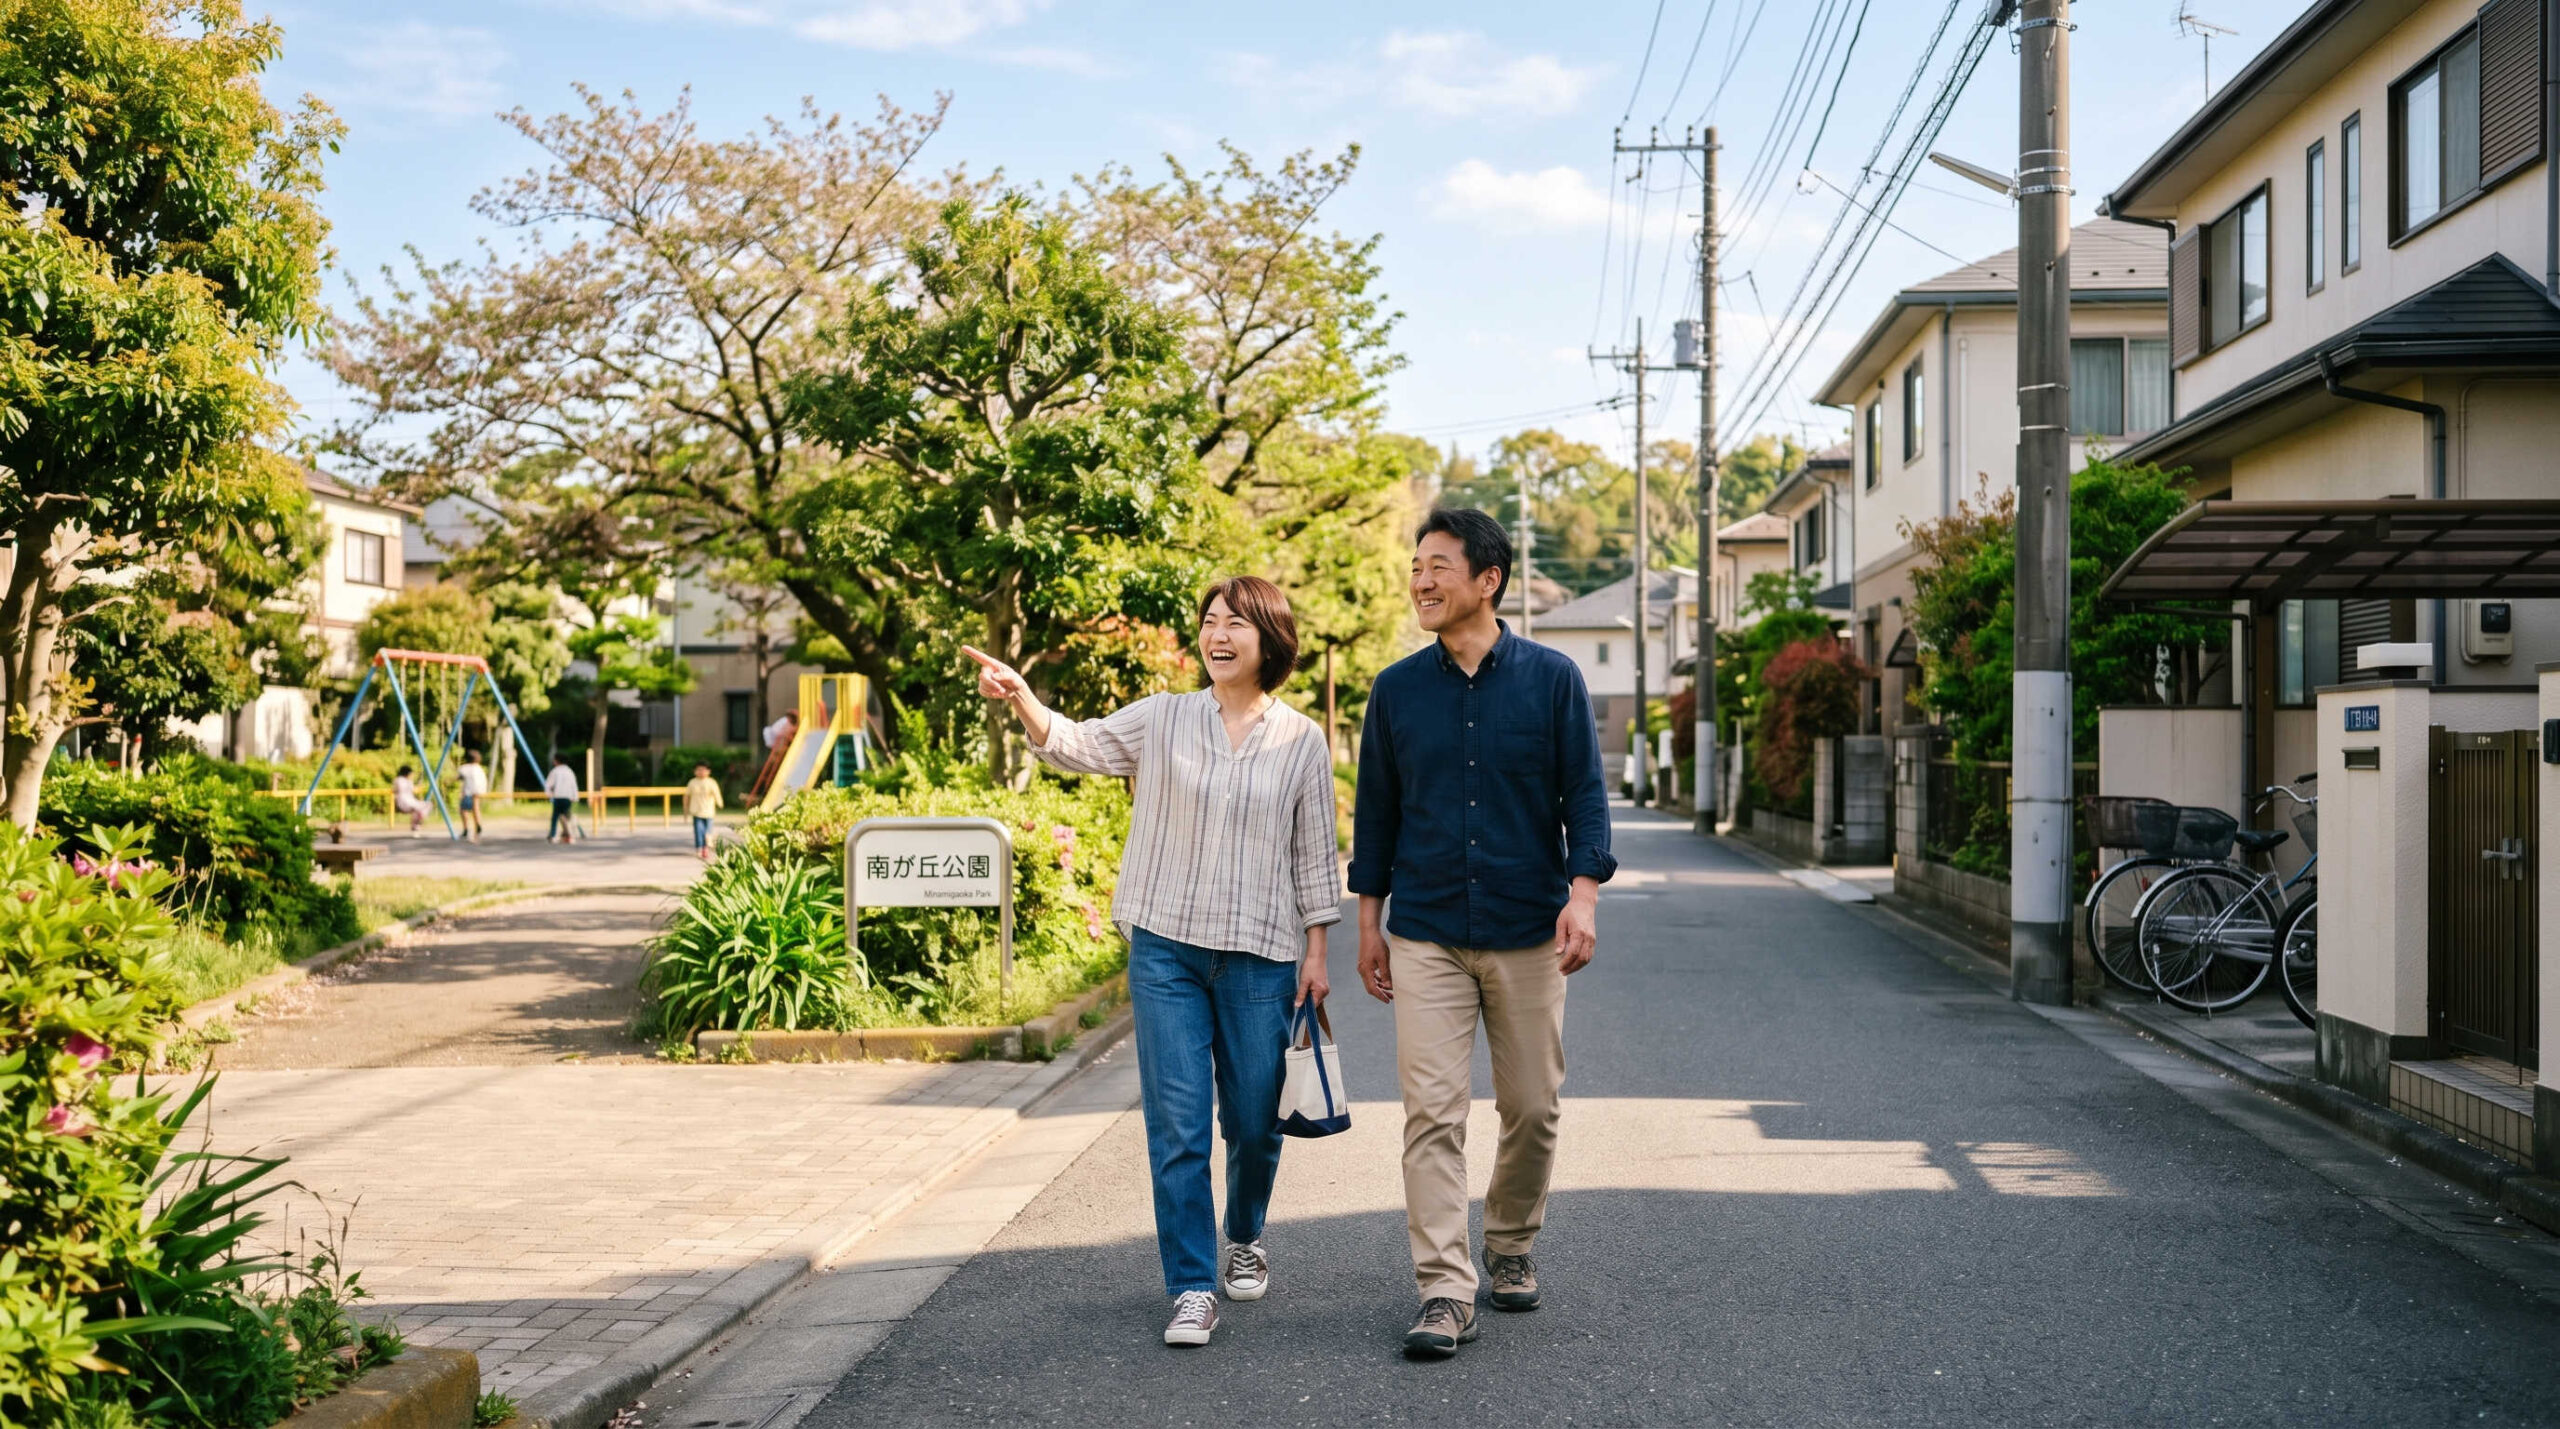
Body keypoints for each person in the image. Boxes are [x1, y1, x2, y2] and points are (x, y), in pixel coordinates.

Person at [964, 577, 1339, 1350]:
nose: (1218, 633)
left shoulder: (1301, 739)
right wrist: (1022, 697)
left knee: (1253, 1120)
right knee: (1177, 1126)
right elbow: (1081, 743)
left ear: (1270, 637)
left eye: (1235, 621)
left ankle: (1245, 1230)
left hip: (1261, 955)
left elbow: (1313, 854)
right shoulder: (1165, 716)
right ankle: (1192, 1284)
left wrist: (1318, 950)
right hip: (1166, 947)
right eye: (1208, 621)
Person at [1350, 507, 1614, 1360]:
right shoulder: (1395, 690)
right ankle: (1443, 1289)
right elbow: (1377, 814)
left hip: (1528, 926)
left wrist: (1584, 895)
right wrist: (1370, 923)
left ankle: (1509, 1238)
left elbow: (1585, 794)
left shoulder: (1553, 678)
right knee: (1431, 1112)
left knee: (1533, 1106)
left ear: (1487, 579)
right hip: (1426, 927)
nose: (1421, 580)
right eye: (1415, 566)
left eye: (1437, 565)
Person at [684, 763, 723, 862]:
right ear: (695, 771)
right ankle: (699, 849)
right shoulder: (692, 782)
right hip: (696, 811)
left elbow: (716, 793)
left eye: (703, 770)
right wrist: (686, 808)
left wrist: (720, 802)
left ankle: (705, 848)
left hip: (708, 811)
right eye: (698, 770)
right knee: (698, 831)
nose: (701, 772)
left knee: (707, 832)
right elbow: (687, 796)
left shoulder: (711, 782)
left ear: (708, 771)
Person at [545, 755, 580, 844]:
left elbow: (548, 784)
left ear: (557, 761)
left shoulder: (555, 771)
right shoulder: (569, 771)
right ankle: (568, 836)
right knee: (566, 817)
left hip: (558, 797)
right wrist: (575, 796)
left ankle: (553, 835)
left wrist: (549, 794)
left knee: (555, 817)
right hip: (567, 797)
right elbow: (574, 785)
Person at [458, 750, 489, 843]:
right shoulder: (479, 768)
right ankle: (478, 826)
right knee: (476, 808)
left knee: (463, 810)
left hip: (469, 791)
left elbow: (460, 777)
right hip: (479, 790)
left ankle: (466, 828)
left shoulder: (465, 768)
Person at [391, 764, 426, 836]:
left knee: (425, 805)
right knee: (417, 808)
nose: (411, 775)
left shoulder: (409, 781)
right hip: (402, 802)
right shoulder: (398, 780)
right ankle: (416, 822)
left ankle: (416, 823)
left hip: (410, 800)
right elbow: (395, 790)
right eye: (410, 774)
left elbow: (412, 790)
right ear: (406, 773)